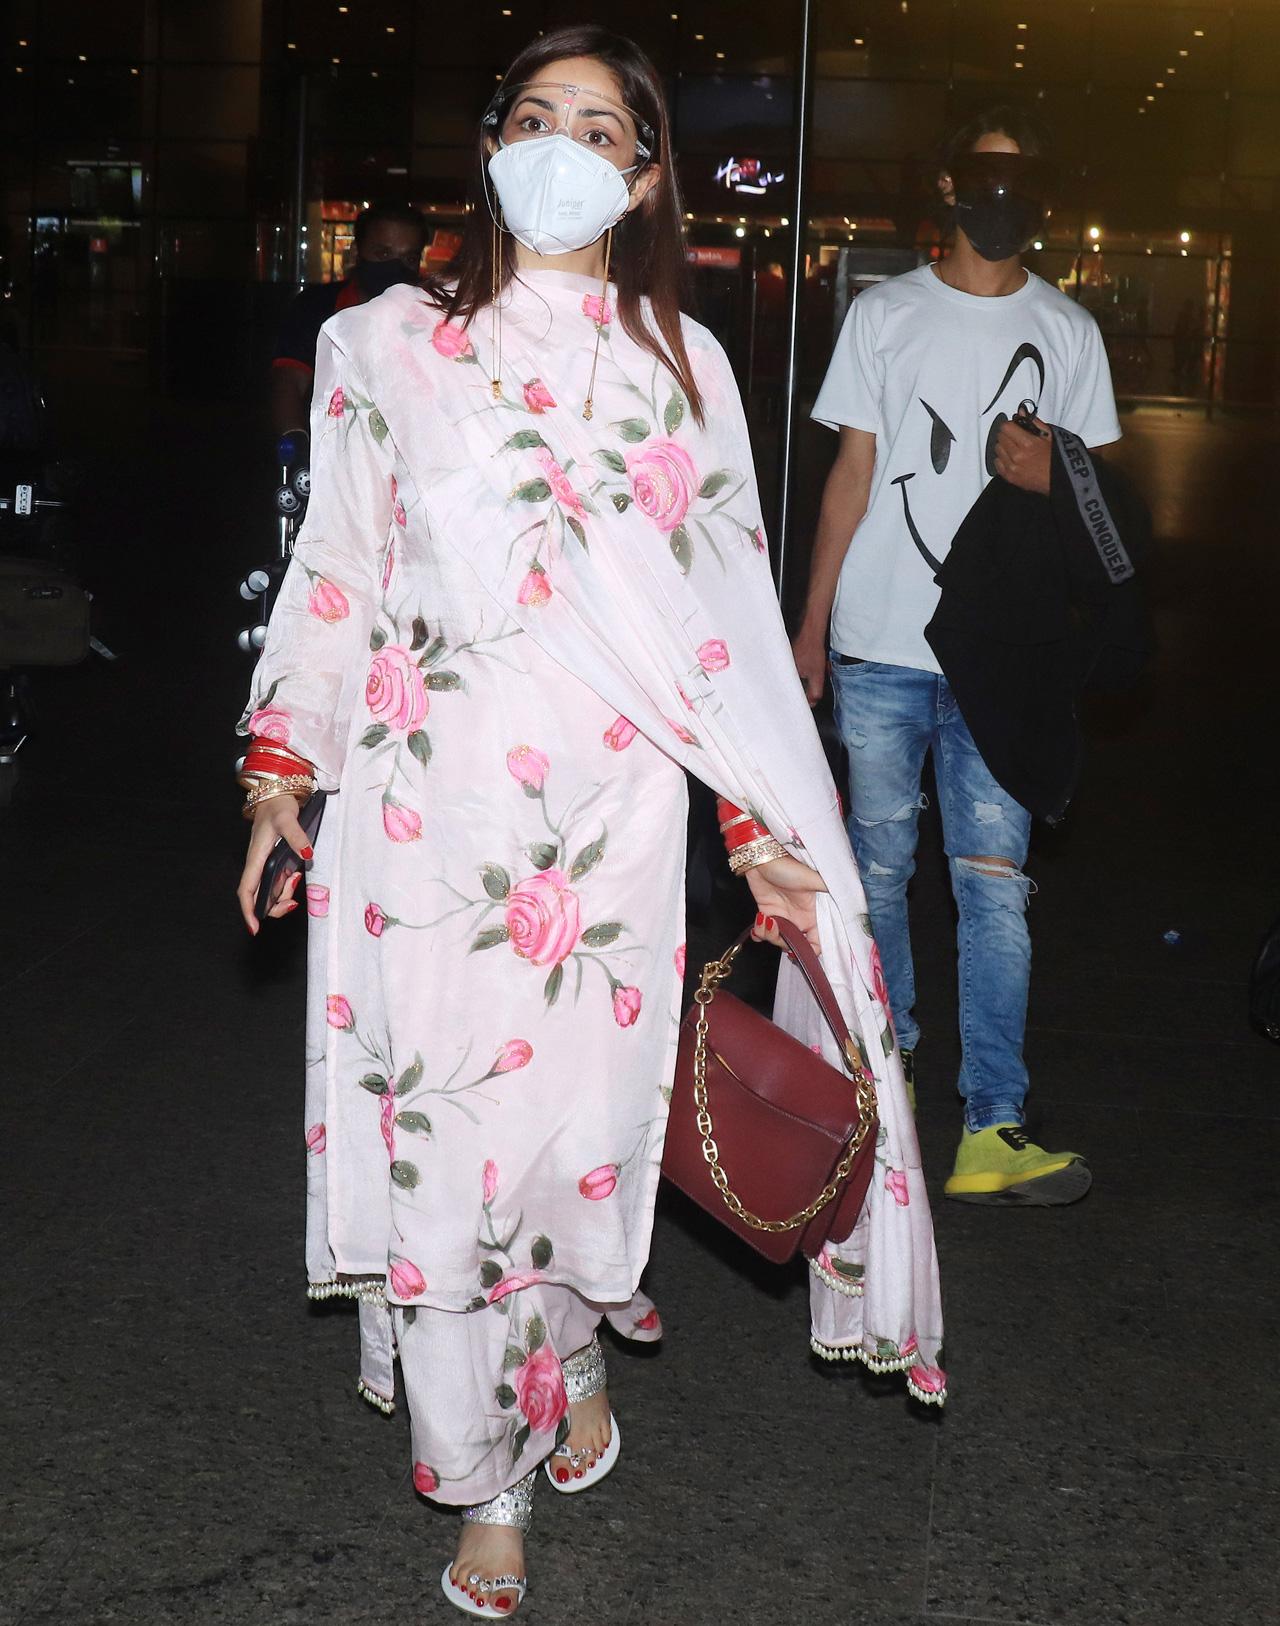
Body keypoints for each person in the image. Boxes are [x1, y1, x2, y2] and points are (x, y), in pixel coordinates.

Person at [237, 27, 945, 1619]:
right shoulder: (384, 346)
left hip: (600, 830)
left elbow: (723, 628)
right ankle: (479, 1475)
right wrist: (281, 766)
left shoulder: (681, 371)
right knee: (442, 1154)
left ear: (641, 180)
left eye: (602, 126)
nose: (564, 143)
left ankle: (557, 1364)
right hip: (417, 816)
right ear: (490, 149)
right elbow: (338, 568)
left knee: (558, 1155)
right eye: (535, 116)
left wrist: (761, 818)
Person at [792, 106, 1122, 1207]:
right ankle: (879, 1099)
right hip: (879, 644)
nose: (1002, 193)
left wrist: (1049, 478)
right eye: (985, 172)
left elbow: (1100, 509)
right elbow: (851, 472)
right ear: (947, 186)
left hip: (1005, 654)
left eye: (1022, 175)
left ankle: (991, 1122)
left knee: (992, 893)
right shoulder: (883, 314)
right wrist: (807, 625)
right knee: (875, 879)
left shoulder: (1068, 331)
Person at [269, 201, 429, 439]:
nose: (396, 267)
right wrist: (296, 442)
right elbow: (289, 381)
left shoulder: (429, 315)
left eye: (408, 258)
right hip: (333, 448)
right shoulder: (317, 306)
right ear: (357, 252)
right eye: (383, 254)